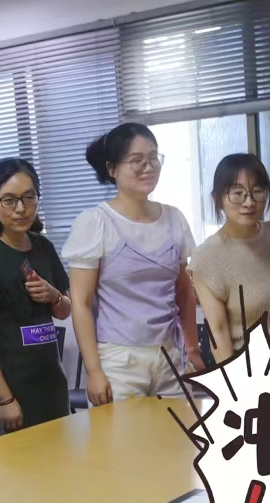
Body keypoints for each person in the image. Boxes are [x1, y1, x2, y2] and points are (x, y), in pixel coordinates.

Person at [63, 123, 203, 406]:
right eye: (137, 160)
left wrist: (192, 350)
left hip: (171, 356)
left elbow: (185, 292)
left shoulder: (174, 219)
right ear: (112, 169)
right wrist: (94, 371)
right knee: (121, 436)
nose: (148, 167)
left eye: (153, 158)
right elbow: (81, 303)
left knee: (179, 432)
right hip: (118, 362)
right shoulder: (95, 222)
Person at [0, 159, 72, 432]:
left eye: (29, 197)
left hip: (52, 383)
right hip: (13, 390)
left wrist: (54, 295)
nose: (21, 208)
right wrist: (5, 398)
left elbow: (64, 311)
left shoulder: (43, 247)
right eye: (9, 200)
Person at [190, 153, 270, 371]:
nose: (249, 202)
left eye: (257, 191)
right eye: (237, 194)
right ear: (217, 199)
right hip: (247, 364)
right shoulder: (206, 256)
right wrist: (234, 382)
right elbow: (218, 331)